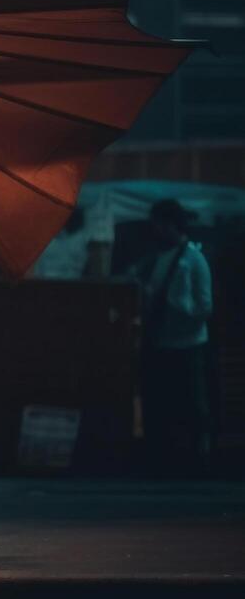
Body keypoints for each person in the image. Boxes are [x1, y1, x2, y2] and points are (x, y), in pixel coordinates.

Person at [134, 199, 213, 474]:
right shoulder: (158, 257)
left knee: (192, 405)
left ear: (170, 225)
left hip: (188, 345)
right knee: (163, 404)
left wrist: (178, 304)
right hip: (162, 342)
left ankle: (197, 460)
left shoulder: (194, 259)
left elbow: (204, 307)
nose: (155, 230)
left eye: (158, 224)